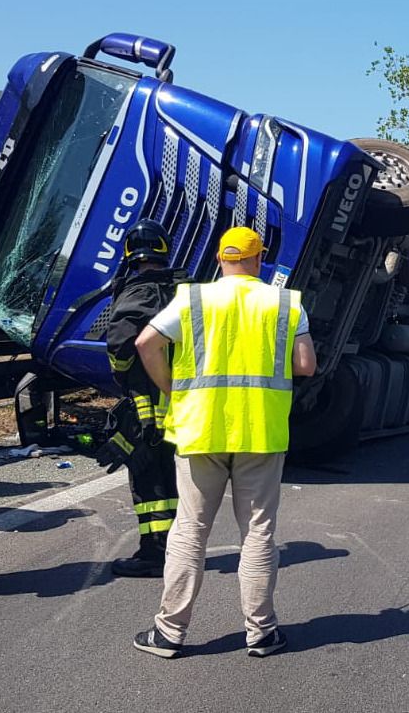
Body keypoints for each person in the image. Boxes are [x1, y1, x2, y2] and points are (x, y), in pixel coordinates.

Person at [132, 226, 316, 660]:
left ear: (220, 259)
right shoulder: (285, 303)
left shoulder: (193, 299)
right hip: (260, 431)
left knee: (190, 530)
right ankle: (261, 633)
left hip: (201, 430)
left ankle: (169, 633)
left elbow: (145, 343)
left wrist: (173, 388)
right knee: (258, 532)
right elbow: (306, 365)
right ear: (259, 259)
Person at [96, 219, 181, 578]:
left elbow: (119, 345)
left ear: (130, 253)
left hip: (147, 408)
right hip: (183, 404)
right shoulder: (184, 290)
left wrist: (122, 375)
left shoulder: (138, 292)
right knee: (173, 479)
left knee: (148, 481)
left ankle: (155, 554)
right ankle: (175, 548)